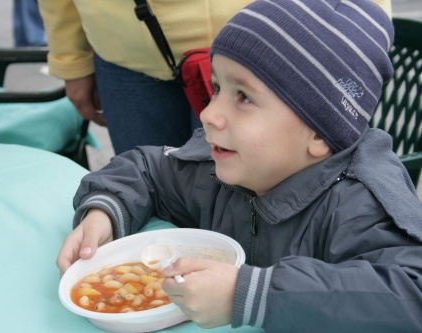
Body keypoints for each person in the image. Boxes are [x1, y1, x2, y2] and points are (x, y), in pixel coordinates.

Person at [56, 0, 422, 332]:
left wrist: (252, 295)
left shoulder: (359, 205)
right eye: (216, 88)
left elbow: (410, 296)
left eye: (243, 97)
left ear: (319, 133)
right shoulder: (217, 170)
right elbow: (148, 170)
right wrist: (106, 211)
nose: (209, 113)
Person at [37, 0, 254, 154]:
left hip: (237, 48)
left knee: (241, 201)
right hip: (122, 55)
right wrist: (71, 60)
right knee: (147, 201)